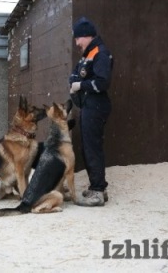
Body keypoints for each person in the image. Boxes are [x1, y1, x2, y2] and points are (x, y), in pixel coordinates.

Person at [69, 17, 113, 206]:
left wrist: (81, 85)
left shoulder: (100, 53)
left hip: (96, 106)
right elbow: (75, 73)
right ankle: (96, 186)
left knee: (92, 147)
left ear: (86, 36)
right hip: (88, 106)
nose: (77, 43)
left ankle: (98, 191)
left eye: (78, 38)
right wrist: (75, 83)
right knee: (87, 147)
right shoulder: (88, 54)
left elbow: (103, 82)